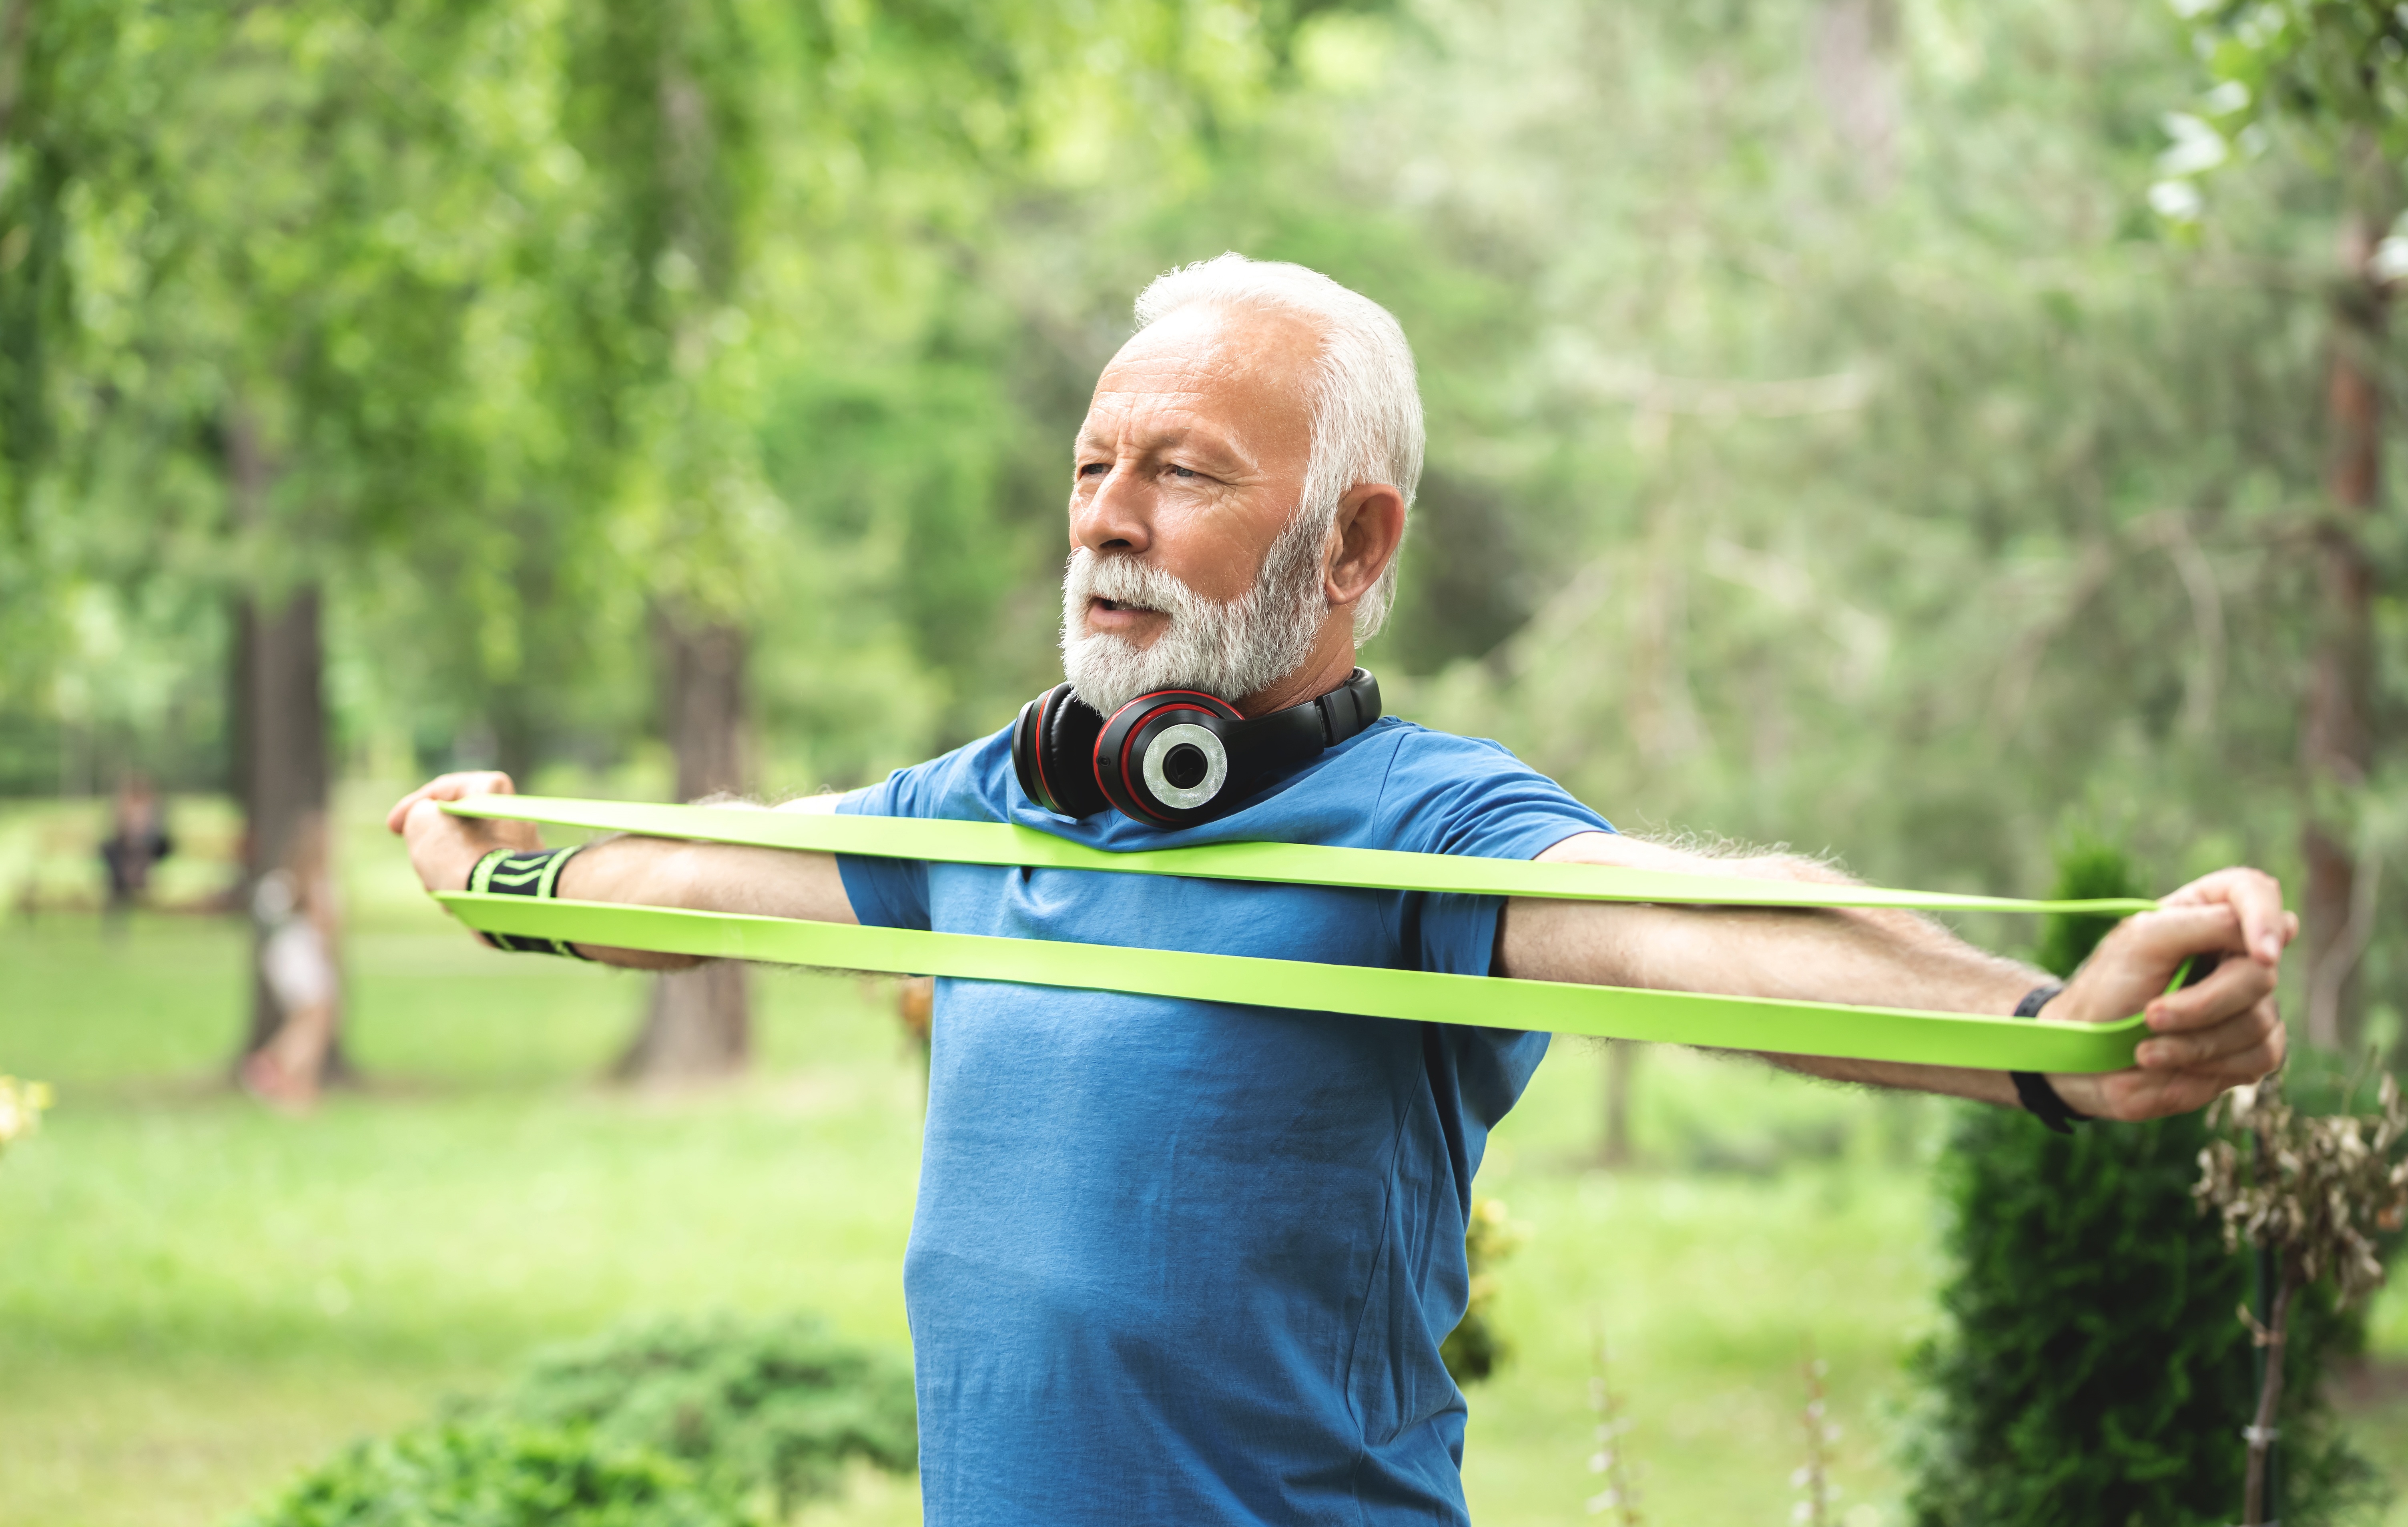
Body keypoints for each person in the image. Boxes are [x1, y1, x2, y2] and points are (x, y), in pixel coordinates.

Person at [388, 255, 2292, 1527]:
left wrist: (2050, 1034)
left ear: (1352, 538)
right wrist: (507, 868)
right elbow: (711, 870)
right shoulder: (994, 807)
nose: (1106, 516)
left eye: (1182, 472)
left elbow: (1685, 926)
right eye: (1092, 464)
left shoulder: (1419, 831)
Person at [241, 815, 342, 1112]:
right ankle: (275, 1070)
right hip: (309, 960)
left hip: (282, 959)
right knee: (315, 1023)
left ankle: (296, 1087)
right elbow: (327, 930)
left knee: (305, 1020)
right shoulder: (318, 884)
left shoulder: (279, 883)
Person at [98, 773, 172, 929]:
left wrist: (140, 835)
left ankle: (131, 880)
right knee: (114, 853)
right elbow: (118, 831)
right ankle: (130, 880)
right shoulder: (124, 809)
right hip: (128, 849)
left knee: (139, 851)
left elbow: (155, 831)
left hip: (148, 847)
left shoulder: (153, 808)